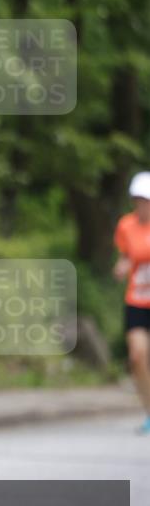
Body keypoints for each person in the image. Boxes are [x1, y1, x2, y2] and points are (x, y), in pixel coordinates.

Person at [113, 171, 150, 434]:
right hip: (137, 299)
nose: (141, 204)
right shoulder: (126, 225)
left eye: (145, 199)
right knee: (137, 356)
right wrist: (122, 266)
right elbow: (127, 255)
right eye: (137, 199)